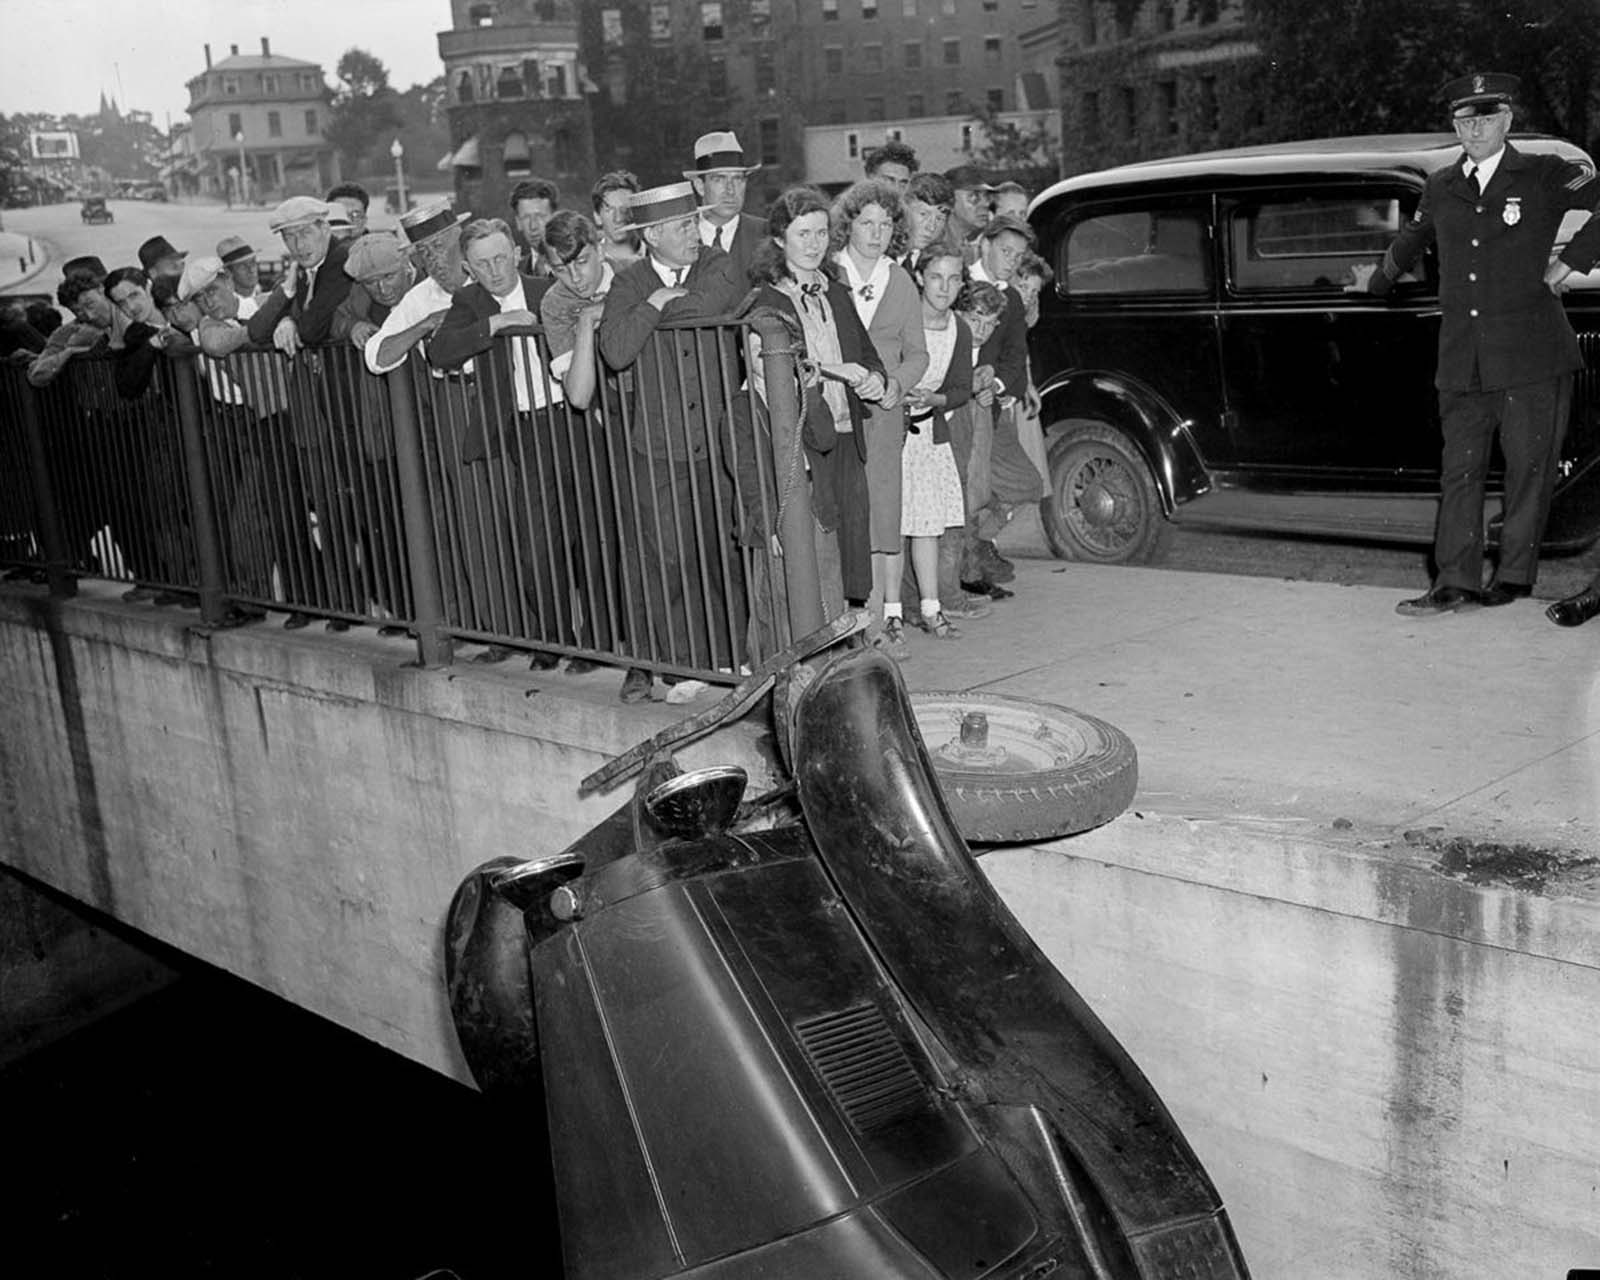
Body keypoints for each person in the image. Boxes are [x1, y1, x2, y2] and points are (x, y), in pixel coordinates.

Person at [1365, 73, 1600, 617]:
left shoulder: (1542, 174)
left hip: (1532, 356)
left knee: (1528, 471)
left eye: (1486, 117)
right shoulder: (1442, 184)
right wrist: (1375, 280)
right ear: (1454, 125)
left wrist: (1571, 260)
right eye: (1464, 120)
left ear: (1507, 120)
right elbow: (1412, 238)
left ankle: (1514, 576)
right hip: (1463, 359)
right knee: (1460, 470)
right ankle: (1455, 581)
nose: (1474, 128)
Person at [599, 181, 750, 699]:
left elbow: (713, 305)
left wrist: (655, 307)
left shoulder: (719, 263)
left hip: (719, 439)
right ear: (654, 235)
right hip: (658, 446)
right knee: (670, 556)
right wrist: (655, 301)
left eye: (694, 223)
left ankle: (733, 658)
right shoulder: (631, 281)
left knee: (723, 549)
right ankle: (685, 665)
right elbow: (615, 350)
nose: (695, 233)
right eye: (684, 225)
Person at [742, 185, 888, 644]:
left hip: (846, 432)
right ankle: (803, 643)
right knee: (810, 546)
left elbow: (867, 354)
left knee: (849, 541)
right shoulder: (767, 301)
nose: (814, 243)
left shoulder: (836, 292)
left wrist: (874, 379)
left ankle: (847, 632)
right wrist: (834, 370)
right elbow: (778, 361)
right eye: (803, 233)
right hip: (803, 440)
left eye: (822, 232)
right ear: (780, 239)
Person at [430, 217, 570, 669]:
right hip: (522, 429)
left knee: (590, 530)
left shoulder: (546, 286)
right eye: (482, 264)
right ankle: (553, 640)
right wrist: (496, 323)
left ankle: (600, 644)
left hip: (571, 419)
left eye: (500, 258)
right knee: (535, 541)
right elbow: (440, 351)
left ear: (514, 252)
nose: (494, 270)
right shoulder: (469, 301)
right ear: (469, 269)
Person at [831, 179, 928, 658]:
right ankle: (853, 619)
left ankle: (886, 619)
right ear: (847, 225)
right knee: (847, 512)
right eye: (866, 222)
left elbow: (918, 354)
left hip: (885, 412)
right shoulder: (830, 274)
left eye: (886, 224)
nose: (876, 233)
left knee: (884, 513)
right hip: (835, 408)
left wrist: (896, 385)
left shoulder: (902, 280)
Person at [965, 213, 1044, 593]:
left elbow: (1015, 352)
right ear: (985, 244)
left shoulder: (1012, 298)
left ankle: (979, 541)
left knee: (1025, 483)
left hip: (994, 405)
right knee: (970, 488)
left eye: (1018, 254)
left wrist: (999, 384)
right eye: (1005, 251)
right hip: (954, 405)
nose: (1012, 260)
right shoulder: (957, 282)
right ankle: (972, 569)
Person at [901, 247, 974, 641]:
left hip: (929, 431)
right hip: (893, 432)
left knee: (927, 523)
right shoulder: (902, 319)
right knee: (892, 525)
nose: (944, 287)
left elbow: (961, 387)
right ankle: (891, 614)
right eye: (935, 277)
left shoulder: (959, 328)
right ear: (919, 277)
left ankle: (932, 608)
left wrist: (934, 400)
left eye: (953, 279)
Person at [364, 198, 471, 375]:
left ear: (460, 241)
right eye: (422, 251)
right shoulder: (419, 297)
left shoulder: (487, 277)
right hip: (451, 393)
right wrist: (426, 324)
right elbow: (376, 359)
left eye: (438, 245)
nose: (432, 257)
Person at [248, 196, 355, 354]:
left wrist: (289, 320)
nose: (299, 245)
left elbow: (311, 330)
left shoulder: (342, 260)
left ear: (325, 230)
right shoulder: (300, 271)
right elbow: (256, 332)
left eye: (306, 233)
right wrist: (286, 291)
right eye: (289, 237)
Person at [684, 130, 765, 286]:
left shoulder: (767, 235)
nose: (730, 189)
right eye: (719, 179)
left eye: (737, 179)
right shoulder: (677, 237)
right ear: (700, 186)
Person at [900, 171, 955, 286]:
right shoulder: (878, 253)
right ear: (904, 209)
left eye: (939, 219)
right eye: (923, 214)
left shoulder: (941, 265)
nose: (931, 227)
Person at [939, 165, 995, 259]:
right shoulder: (934, 247)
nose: (985, 204)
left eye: (986, 196)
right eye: (973, 197)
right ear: (950, 201)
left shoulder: (972, 249)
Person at [591, 169, 643, 268]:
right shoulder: (589, 265)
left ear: (638, 212)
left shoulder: (659, 255)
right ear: (597, 217)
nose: (618, 218)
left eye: (625, 208)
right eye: (609, 210)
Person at [509, 177, 560, 277]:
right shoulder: (515, 274)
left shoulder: (575, 264)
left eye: (540, 216)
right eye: (526, 218)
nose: (533, 226)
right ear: (518, 222)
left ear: (555, 217)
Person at [216, 235, 262, 300]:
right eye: (242, 266)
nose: (251, 270)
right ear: (228, 272)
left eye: (252, 262)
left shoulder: (270, 296)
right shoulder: (227, 306)